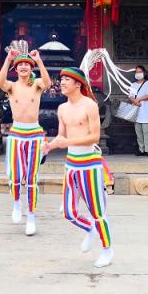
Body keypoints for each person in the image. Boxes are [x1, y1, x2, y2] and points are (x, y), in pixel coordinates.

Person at [44, 68, 114, 269]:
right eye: (61, 79)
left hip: (90, 164)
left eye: (66, 79)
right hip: (71, 165)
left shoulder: (89, 105)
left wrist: (66, 142)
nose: (62, 82)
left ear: (78, 84)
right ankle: (90, 229)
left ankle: (107, 249)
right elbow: (61, 135)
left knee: (98, 212)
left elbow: (94, 137)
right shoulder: (62, 109)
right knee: (69, 212)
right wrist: (49, 146)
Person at [0, 48, 52, 236]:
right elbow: (0, 82)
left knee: (31, 177)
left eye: (27, 65)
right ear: (16, 69)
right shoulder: (11, 86)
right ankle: (17, 203)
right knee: (15, 176)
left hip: (34, 133)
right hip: (16, 133)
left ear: (31, 68)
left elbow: (47, 82)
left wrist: (39, 60)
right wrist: (8, 58)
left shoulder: (36, 84)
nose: (23, 67)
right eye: (20, 65)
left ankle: (31, 216)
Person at [128, 65, 148, 156]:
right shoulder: (133, 85)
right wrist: (135, 101)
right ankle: (141, 149)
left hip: (145, 111)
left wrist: (138, 99)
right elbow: (130, 96)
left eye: (140, 72)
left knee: (146, 132)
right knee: (138, 132)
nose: (138, 73)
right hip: (136, 111)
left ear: (144, 73)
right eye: (136, 72)